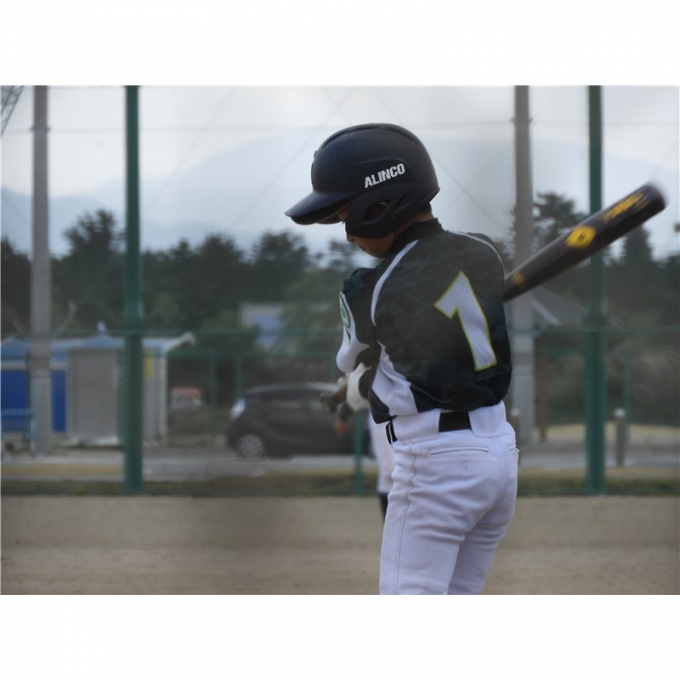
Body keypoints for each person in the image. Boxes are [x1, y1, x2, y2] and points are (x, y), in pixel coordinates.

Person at [286, 123, 518, 595]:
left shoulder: (369, 288)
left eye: (347, 214)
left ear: (380, 205)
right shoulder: (481, 253)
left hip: (436, 464)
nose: (348, 234)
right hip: (499, 456)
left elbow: (349, 361)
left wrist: (378, 350)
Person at [332, 389, 395, 520]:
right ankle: (389, 525)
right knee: (389, 470)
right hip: (383, 413)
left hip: (414, 415)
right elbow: (358, 385)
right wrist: (344, 416)